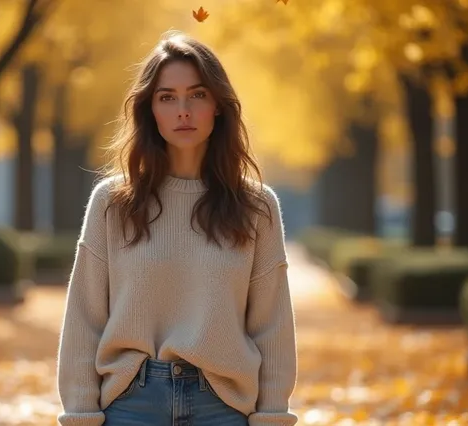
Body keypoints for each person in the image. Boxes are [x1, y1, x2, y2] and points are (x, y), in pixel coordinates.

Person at [57, 30, 298, 426]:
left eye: (197, 95)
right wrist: (81, 415)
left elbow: (271, 325)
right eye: (167, 97)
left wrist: (272, 416)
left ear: (218, 105)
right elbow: (85, 317)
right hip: (130, 404)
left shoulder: (257, 207)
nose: (182, 110)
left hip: (223, 407)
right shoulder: (111, 203)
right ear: (149, 110)